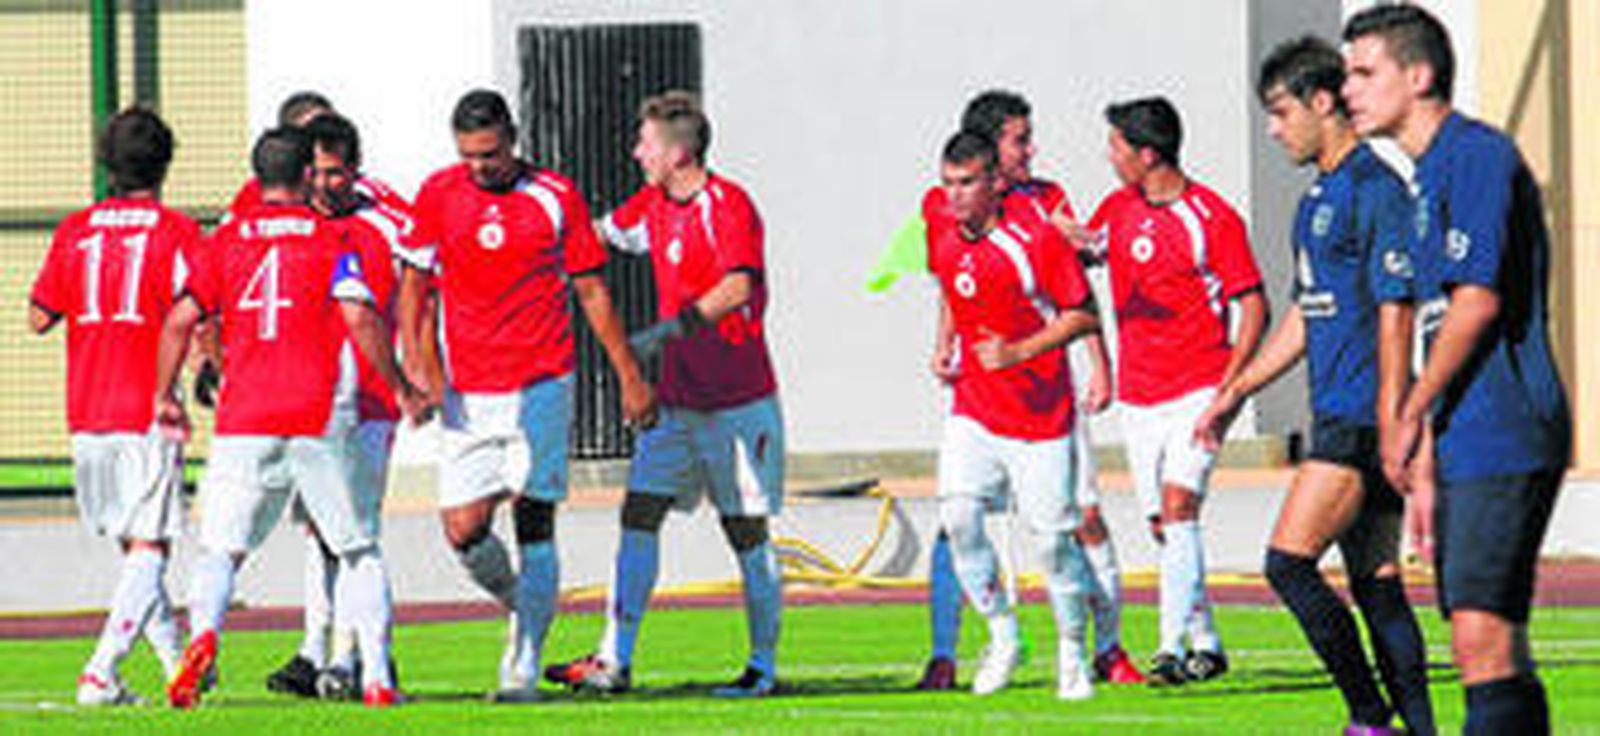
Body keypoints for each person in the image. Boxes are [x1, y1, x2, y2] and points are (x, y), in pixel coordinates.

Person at [1193, 36, 1434, 734]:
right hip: (1346, 413)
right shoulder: (1317, 199)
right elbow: (1305, 315)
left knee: (1287, 565)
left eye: (1279, 112)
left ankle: (1367, 718)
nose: (1273, 130)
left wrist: (1396, 422)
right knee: (1377, 586)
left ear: (1323, 102)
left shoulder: (1377, 189)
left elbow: (1399, 314)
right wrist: (1236, 388)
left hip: (1363, 419)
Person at [1343, 6, 1571, 733]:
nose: (1349, 90)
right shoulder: (1420, 179)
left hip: (1508, 427)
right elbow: (1437, 320)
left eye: (1364, 72)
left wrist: (1407, 411)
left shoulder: (1474, 155)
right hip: (1465, 434)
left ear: (1419, 75)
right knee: (1485, 641)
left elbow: (1474, 305)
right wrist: (1429, 455)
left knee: (1482, 634)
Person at [395, 89, 653, 702]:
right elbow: (414, 288)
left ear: (511, 138)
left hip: (541, 381)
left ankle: (521, 668)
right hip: (468, 391)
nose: (480, 166)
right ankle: (526, 605)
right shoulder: (438, 194)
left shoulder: (555, 196)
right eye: (468, 156)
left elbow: (592, 292)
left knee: (533, 517)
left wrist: (629, 374)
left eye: (489, 153)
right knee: (462, 529)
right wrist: (421, 367)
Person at [157, 126, 427, 709]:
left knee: (221, 549)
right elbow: (358, 316)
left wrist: (165, 393)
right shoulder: (330, 238)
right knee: (358, 548)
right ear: (308, 173)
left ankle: (203, 638)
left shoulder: (226, 239)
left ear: (259, 179)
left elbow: (181, 319)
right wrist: (400, 384)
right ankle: (376, 676)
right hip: (319, 408)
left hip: (245, 413)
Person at [542, 91, 787, 698]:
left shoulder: (727, 205)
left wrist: (666, 331)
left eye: (645, 143)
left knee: (746, 531)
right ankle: (614, 660)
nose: (635, 152)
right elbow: (596, 238)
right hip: (676, 403)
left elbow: (736, 287)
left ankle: (761, 667)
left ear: (678, 152)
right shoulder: (652, 203)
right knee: (639, 513)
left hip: (739, 403)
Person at [913, 90, 1139, 689]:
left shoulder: (1036, 233)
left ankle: (1075, 649)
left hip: (1040, 413)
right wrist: (945, 343)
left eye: (966, 183)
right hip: (975, 406)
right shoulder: (936, 216)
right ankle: (1003, 635)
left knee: (1055, 541)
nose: (953, 195)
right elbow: (951, 284)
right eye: (948, 183)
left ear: (992, 181)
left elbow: (1083, 313)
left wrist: (1023, 352)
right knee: (958, 516)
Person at [1081, 96, 1268, 685]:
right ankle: (1207, 643)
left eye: (1116, 146)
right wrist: (1069, 241)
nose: (1109, 157)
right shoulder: (1117, 208)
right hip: (1140, 396)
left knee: (1181, 505)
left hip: (1199, 389)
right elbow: (1092, 251)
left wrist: (1232, 386)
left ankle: (1167, 649)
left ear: (1147, 153)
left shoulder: (1212, 218)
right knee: (1165, 524)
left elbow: (1253, 303)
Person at [28, 107, 192, 706]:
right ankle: (101, 670)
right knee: (151, 546)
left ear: (106, 166)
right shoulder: (174, 232)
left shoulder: (75, 231)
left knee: (134, 547)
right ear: (165, 164)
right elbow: (192, 310)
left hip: (87, 410)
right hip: (145, 409)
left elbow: (38, 317)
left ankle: (178, 666)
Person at [262, 112, 410, 700]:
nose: (326, 184)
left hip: (370, 403)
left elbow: (424, 290)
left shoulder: (388, 224)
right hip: (307, 403)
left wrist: (416, 373)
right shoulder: (282, 225)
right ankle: (334, 653)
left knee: (354, 534)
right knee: (326, 532)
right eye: (317, 173)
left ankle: (355, 657)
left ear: (354, 169)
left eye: (336, 172)